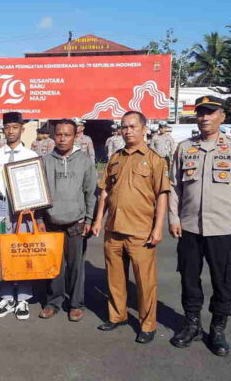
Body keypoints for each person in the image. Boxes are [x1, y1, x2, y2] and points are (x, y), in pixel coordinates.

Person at [168, 96, 231, 357]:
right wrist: (174, 218)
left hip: (222, 227)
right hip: (190, 226)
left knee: (222, 280)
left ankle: (218, 328)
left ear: (222, 117)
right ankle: (192, 323)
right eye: (200, 113)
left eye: (210, 113)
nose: (204, 118)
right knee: (189, 278)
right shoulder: (185, 148)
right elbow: (173, 186)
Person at [91, 111, 170, 344]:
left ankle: (147, 324)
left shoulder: (156, 159)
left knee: (145, 283)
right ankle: (117, 316)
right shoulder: (115, 158)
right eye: (124, 127)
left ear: (144, 129)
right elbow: (104, 192)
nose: (128, 131)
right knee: (114, 278)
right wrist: (97, 220)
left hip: (141, 232)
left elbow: (162, 196)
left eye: (133, 126)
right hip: (114, 229)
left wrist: (158, 228)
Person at [0, 112, 39, 320]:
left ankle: (22, 298)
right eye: (7, 127)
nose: (11, 131)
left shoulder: (31, 156)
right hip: (3, 207)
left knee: (22, 252)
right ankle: (6, 297)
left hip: (24, 209)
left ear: (22, 129)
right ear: (3, 129)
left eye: (15, 127)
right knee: (2, 252)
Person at [38, 119, 97, 322]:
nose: (62, 139)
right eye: (59, 134)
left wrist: (89, 219)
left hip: (76, 222)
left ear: (75, 136)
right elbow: (38, 192)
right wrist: (39, 218)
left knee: (76, 266)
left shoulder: (84, 161)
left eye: (67, 135)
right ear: (54, 136)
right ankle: (53, 302)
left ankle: (75, 304)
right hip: (51, 221)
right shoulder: (45, 160)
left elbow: (91, 193)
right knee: (54, 266)